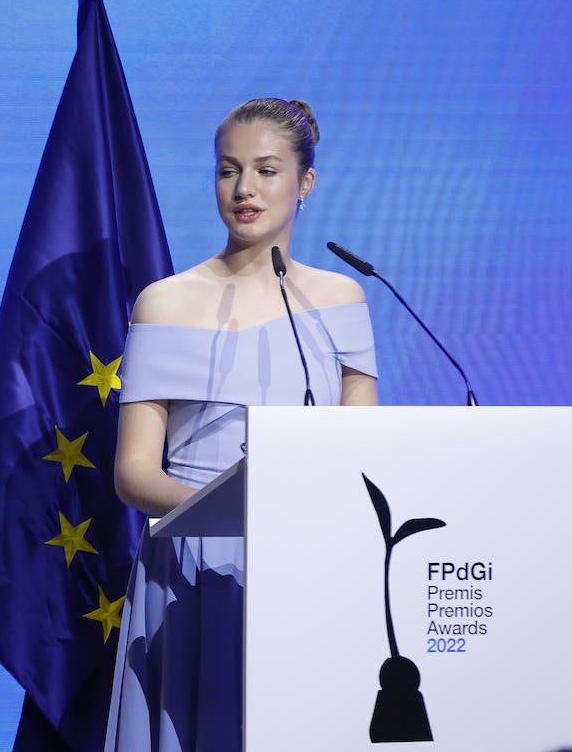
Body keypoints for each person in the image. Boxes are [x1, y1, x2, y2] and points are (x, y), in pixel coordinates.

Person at [104, 98, 378, 752]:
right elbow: (134, 473)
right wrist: (233, 505)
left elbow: (365, 451)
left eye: (266, 170)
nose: (244, 189)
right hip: (188, 570)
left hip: (309, 561)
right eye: (229, 170)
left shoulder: (343, 299)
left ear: (304, 182)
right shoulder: (165, 301)